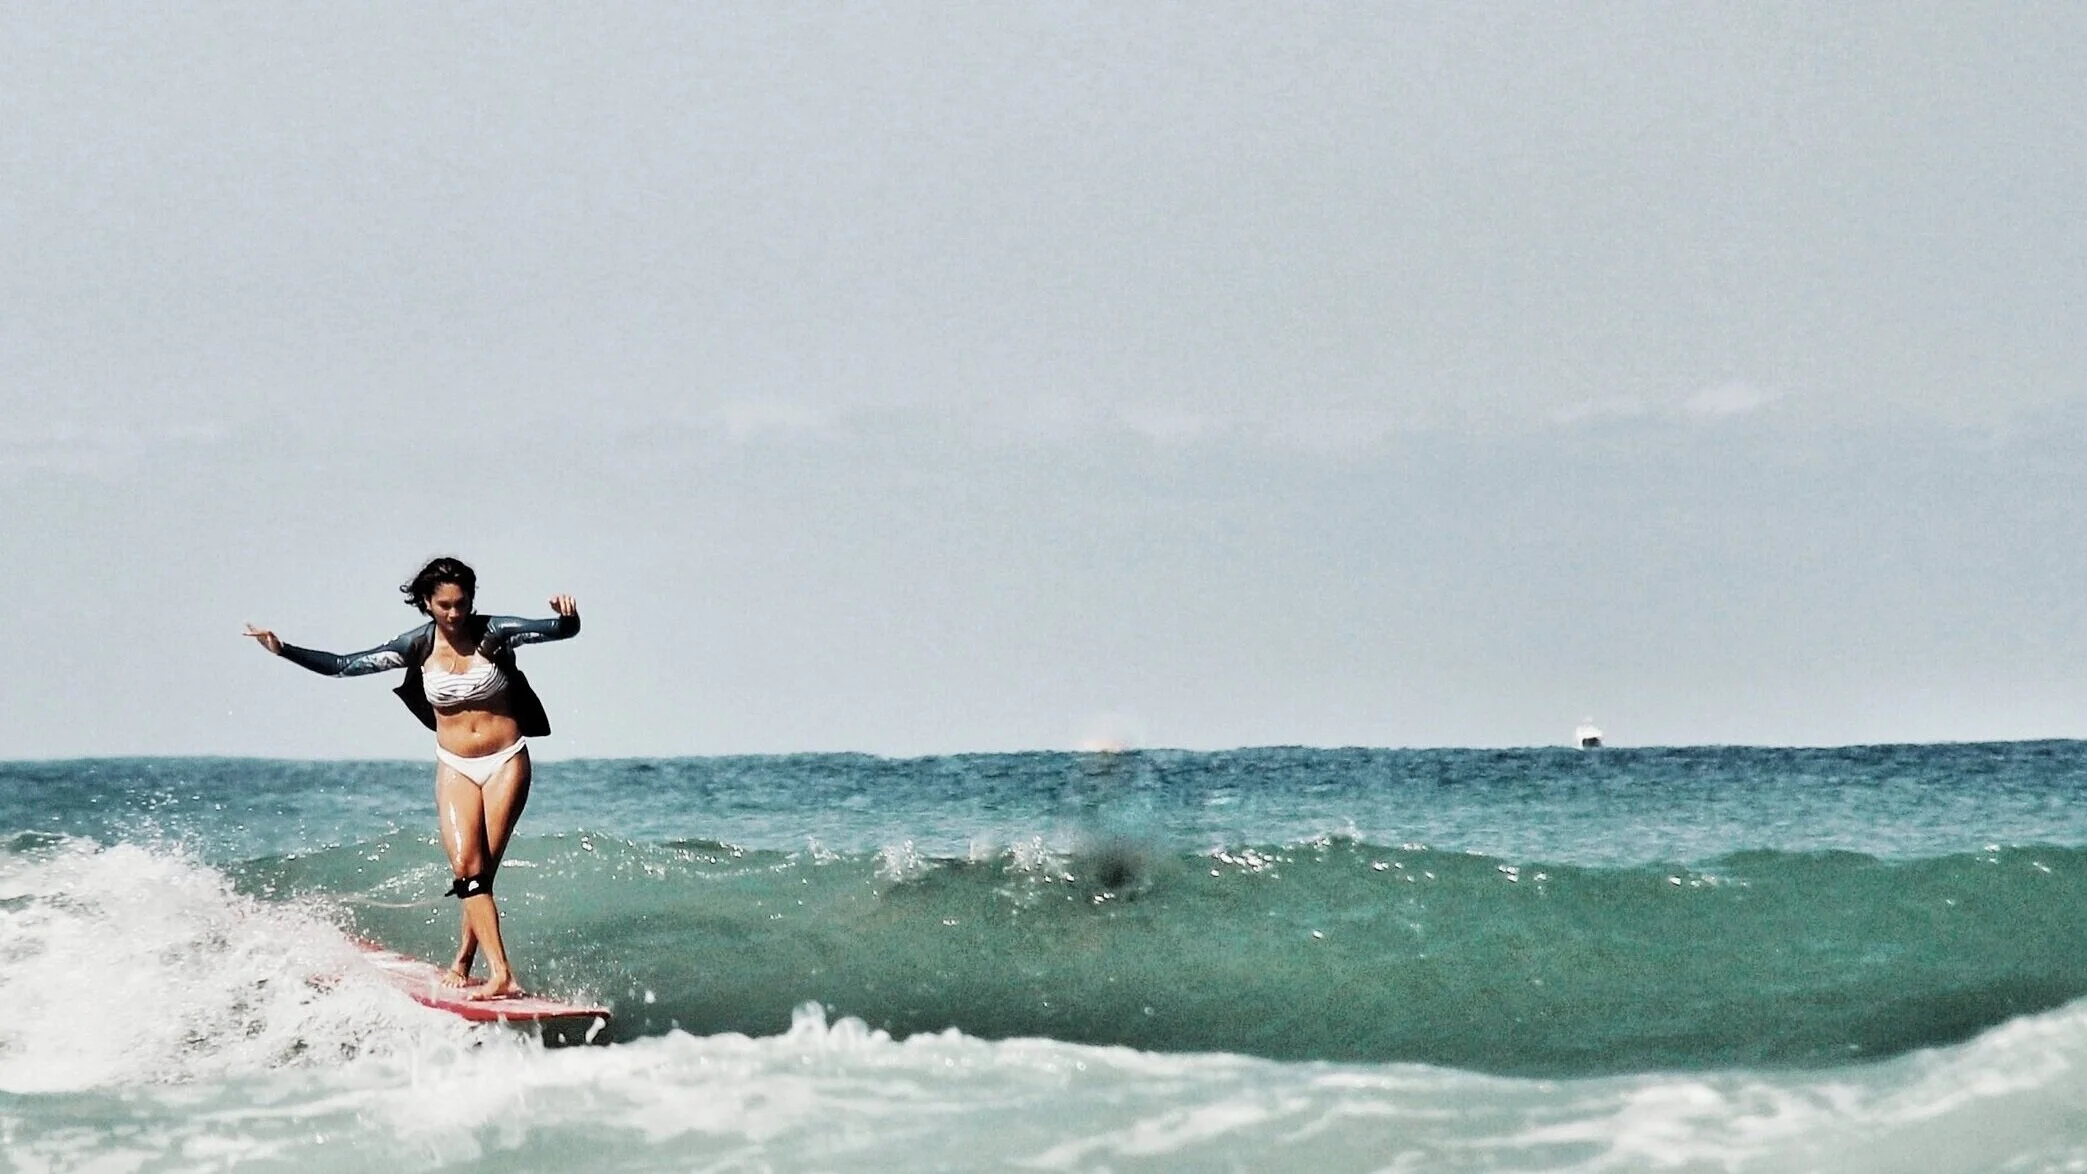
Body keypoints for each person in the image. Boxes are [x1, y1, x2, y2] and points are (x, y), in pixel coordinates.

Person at [244, 557, 580, 1000]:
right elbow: (343, 664)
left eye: (462, 603)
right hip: (455, 764)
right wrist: (283, 648)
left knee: (482, 871)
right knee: (467, 870)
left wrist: (568, 617)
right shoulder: (415, 647)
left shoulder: (495, 633)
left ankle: (485, 968)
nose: (455, 614)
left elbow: (560, 631)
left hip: (505, 760)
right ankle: (487, 968)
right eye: (444, 605)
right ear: (426, 603)